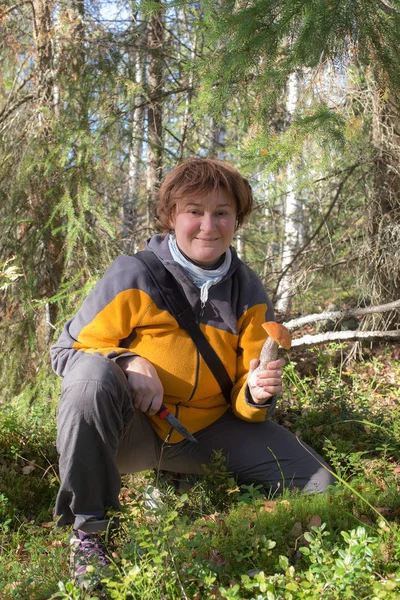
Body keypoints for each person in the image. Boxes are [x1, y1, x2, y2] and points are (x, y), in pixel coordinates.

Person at [50, 158, 333, 588]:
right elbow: (65, 351)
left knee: (318, 484)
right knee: (90, 375)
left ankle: (199, 495)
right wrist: (126, 362)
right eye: (194, 211)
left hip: (208, 431)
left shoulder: (248, 290)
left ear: (238, 219)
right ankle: (90, 532)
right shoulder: (135, 274)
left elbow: (248, 406)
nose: (208, 225)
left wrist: (256, 394)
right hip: (135, 429)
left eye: (222, 212)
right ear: (171, 216)